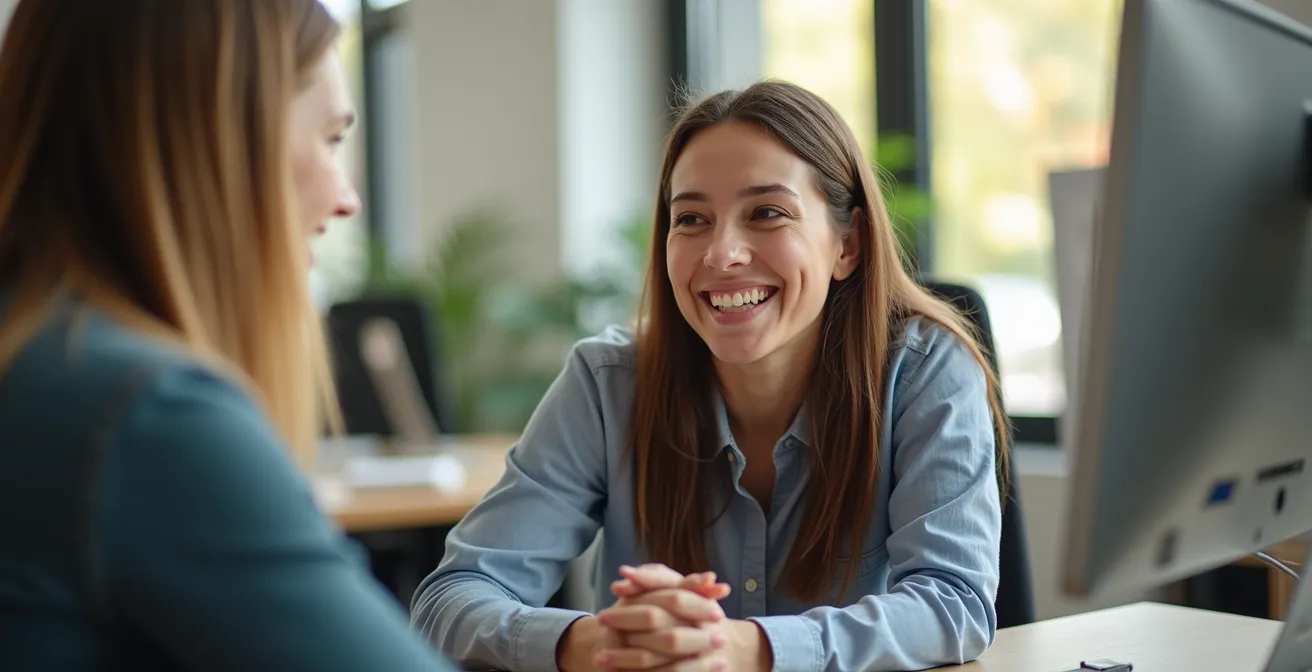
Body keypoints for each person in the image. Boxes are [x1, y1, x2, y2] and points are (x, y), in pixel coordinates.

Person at [412, 80, 1011, 672]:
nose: (722, 254)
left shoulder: (925, 373)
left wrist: (744, 648)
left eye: (767, 213)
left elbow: (952, 603)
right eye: (692, 218)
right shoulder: (607, 385)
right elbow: (449, 600)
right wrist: (593, 643)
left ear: (847, 245)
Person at [0, 1, 457, 670]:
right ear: (217, 140)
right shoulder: (148, 414)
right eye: (330, 139)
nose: (347, 198)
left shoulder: (36, 357)